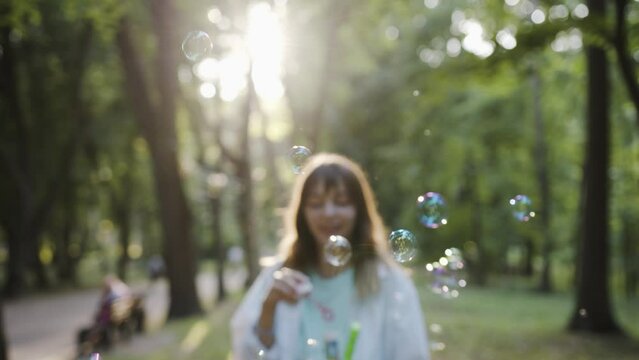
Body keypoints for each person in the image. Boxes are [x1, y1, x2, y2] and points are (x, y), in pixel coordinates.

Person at [231, 153, 430, 359]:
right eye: (316, 204)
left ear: (359, 211)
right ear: (302, 213)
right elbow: (246, 354)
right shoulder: (279, 278)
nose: (328, 213)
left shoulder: (389, 282)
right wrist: (268, 308)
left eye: (342, 202)